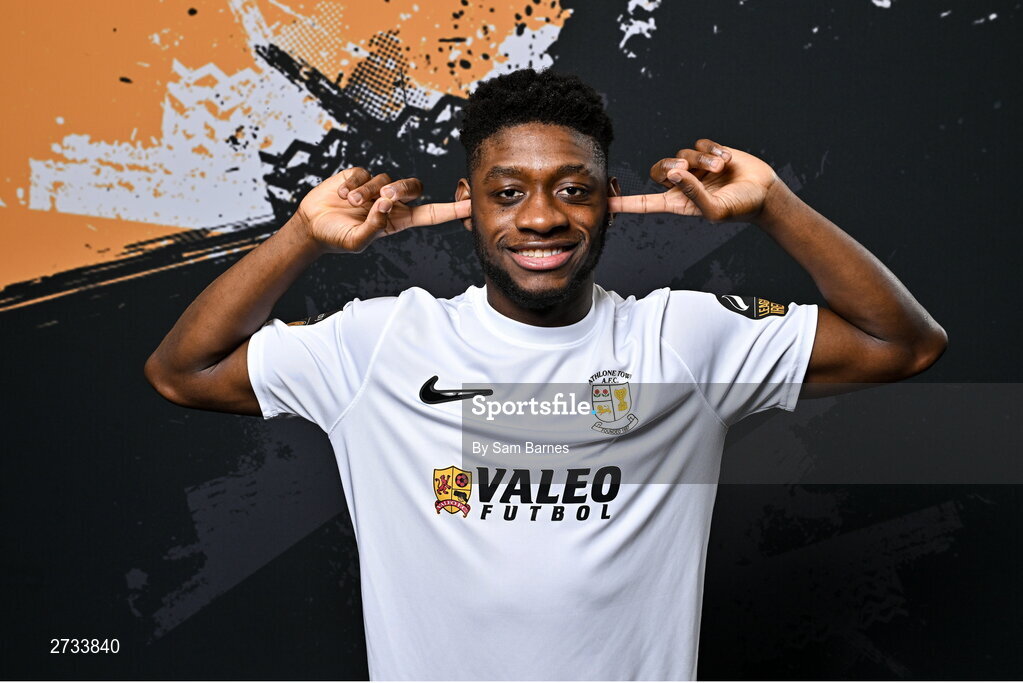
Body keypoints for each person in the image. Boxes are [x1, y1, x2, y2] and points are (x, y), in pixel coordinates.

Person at [144, 68, 947, 680]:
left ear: (608, 201)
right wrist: (302, 239)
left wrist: (773, 204)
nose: (540, 218)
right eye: (507, 192)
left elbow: (901, 345)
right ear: (468, 204)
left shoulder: (683, 337)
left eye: (572, 189)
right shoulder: (382, 342)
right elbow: (185, 370)